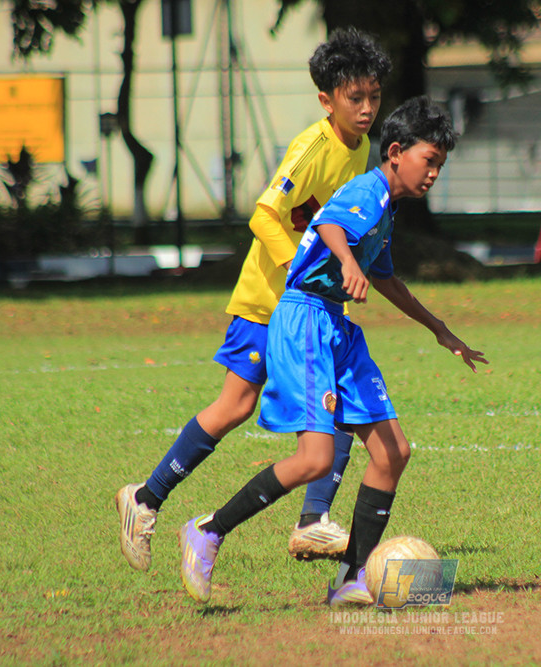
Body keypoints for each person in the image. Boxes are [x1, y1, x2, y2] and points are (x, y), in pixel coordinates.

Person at [177, 96, 488, 607]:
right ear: (395, 152)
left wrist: (439, 328)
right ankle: (208, 530)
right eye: (428, 160)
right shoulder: (366, 189)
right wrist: (346, 261)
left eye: (440, 165)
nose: (433, 173)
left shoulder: (384, 210)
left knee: (392, 453)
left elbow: (385, 277)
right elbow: (328, 224)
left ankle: (350, 580)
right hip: (304, 321)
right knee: (315, 459)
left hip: (336, 326)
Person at [115, 28, 391, 571]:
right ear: (326, 99)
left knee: (332, 400)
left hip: (310, 310)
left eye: (374, 97)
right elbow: (263, 213)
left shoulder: (362, 153)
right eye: (354, 98)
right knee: (234, 406)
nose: (365, 109)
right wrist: (297, 270)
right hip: (269, 300)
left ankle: (312, 523)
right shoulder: (313, 147)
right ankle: (144, 499)